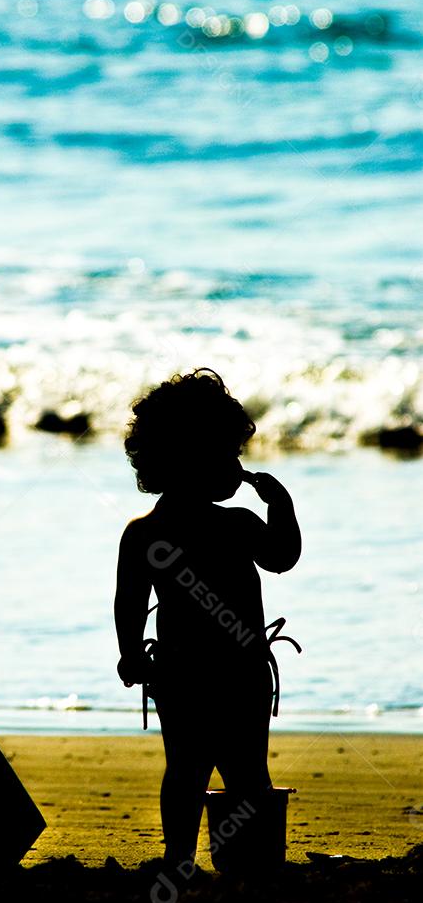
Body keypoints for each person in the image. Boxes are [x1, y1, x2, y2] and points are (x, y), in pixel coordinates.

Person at [114, 367, 301, 876]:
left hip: (181, 673)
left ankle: (180, 859)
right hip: (238, 671)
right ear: (198, 459)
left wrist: (131, 652)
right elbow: (283, 556)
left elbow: (128, 602)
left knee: (186, 770)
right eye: (230, 453)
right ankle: (248, 861)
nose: (237, 466)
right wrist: (280, 506)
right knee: (246, 773)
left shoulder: (145, 533)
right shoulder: (237, 525)